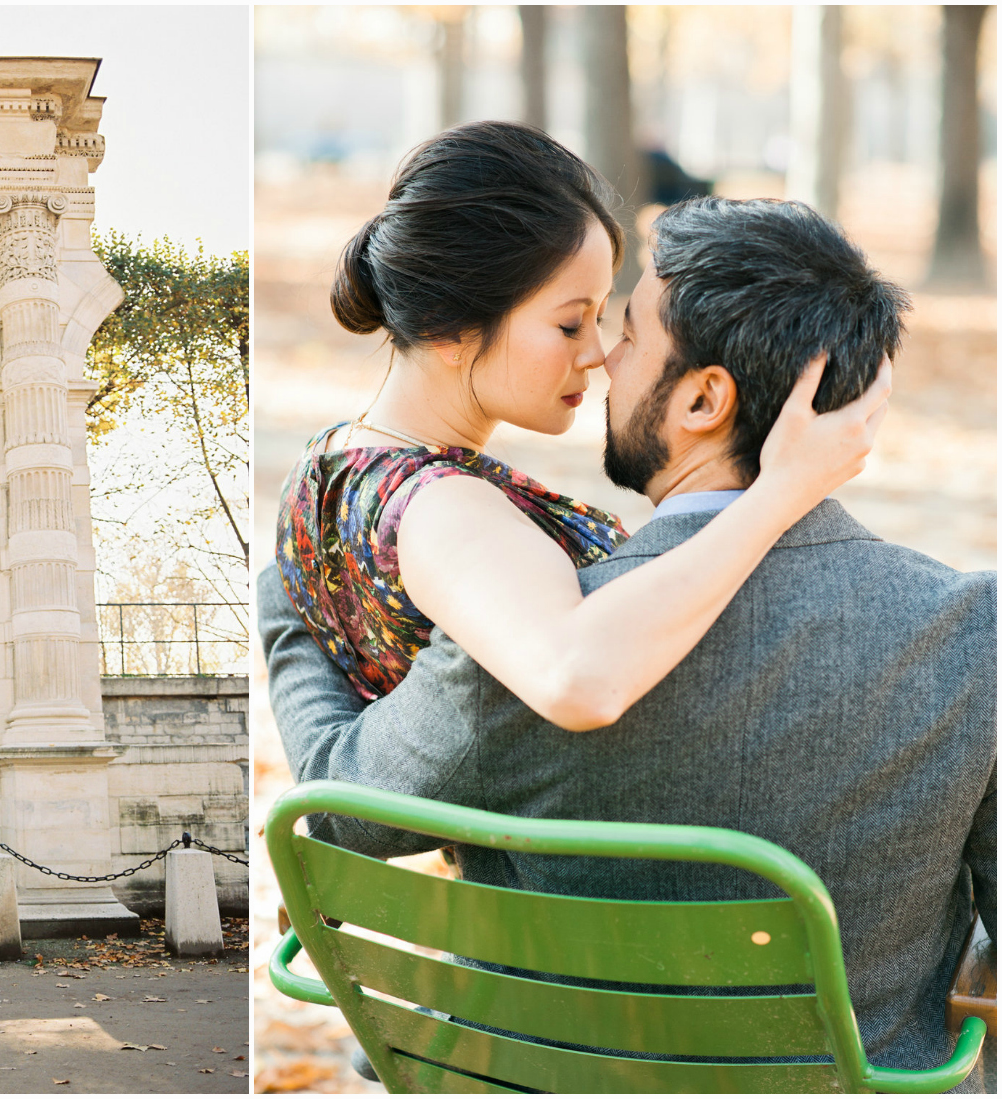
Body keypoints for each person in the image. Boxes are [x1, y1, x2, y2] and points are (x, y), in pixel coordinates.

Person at [260, 196, 995, 1086]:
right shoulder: (975, 636)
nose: (605, 356)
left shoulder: (517, 651)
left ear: (703, 399)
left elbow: (337, 810)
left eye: (632, 334)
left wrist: (290, 603)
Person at [277, 121, 888, 731]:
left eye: (601, 317)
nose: (597, 353)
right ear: (446, 328)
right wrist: (782, 491)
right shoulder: (441, 508)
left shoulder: (334, 461)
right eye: (571, 325)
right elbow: (578, 681)